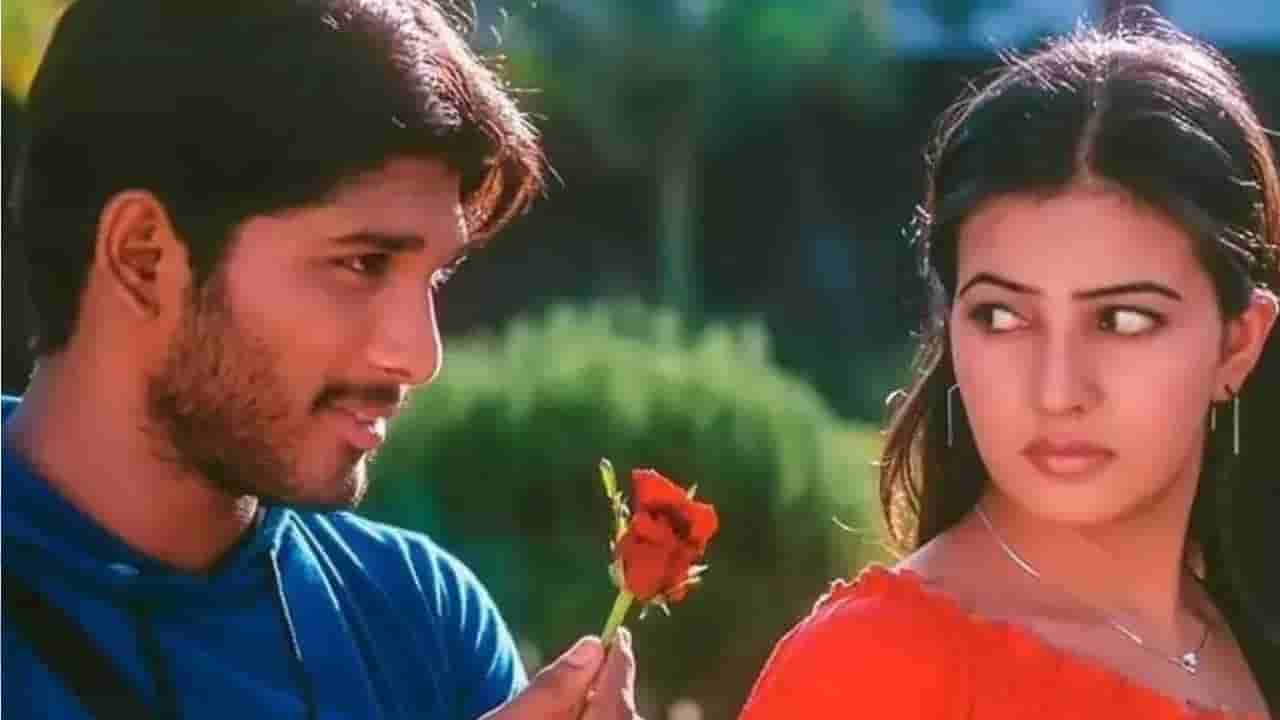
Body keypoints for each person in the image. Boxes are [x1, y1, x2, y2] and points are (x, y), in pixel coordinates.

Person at [1, 2, 640, 719]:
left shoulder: (421, 624)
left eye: (433, 278)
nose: (421, 356)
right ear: (143, 258)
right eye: (363, 263)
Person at [741, 12, 1278, 719]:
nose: (1056, 390)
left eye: (1123, 320)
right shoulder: (870, 670)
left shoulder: (1250, 629)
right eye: (1002, 316)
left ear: (1238, 343)